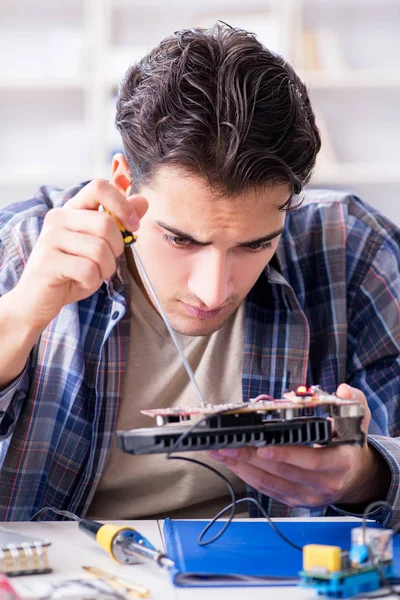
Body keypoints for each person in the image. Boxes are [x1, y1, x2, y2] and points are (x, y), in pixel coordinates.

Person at [0, 24, 399, 524]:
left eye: (255, 244)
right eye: (181, 239)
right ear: (124, 184)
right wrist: (15, 320)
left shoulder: (353, 250)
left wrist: (368, 474)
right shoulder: (22, 249)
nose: (212, 291)